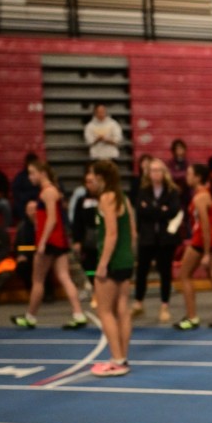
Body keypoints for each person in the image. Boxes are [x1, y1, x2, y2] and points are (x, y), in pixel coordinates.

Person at [11, 161, 88, 329]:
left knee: (38, 280)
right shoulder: (49, 191)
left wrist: (42, 242)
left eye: (32, 173)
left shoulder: (48, 192)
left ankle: (30, 317)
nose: (30, 177)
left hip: (50, 241)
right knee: (64, 277)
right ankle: (78, 314)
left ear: (42, 173)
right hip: (57, 241)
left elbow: (52, 219)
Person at [89, 160, 135, 377]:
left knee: (105, 311)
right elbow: (132, 232)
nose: (90, 178)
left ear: (100, 177)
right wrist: (128, 256)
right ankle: (122, 357)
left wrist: (103, 264)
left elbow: (112, 233)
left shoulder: (106, 198)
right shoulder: (124, 198)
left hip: (112, 261)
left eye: (92, 174)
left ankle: (116, 360)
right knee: (122, 309)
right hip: (125, 260)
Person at [174, 164, 212, 330]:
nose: (187, 177)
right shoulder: (204, 194)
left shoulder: (200, 197)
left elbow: (205, 225)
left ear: (198, 177)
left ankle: (192, 317)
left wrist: (206, 253)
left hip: (202, 241)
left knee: (184, 275)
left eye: (190, 174)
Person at [131, 157, 182, 323]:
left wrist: (153, 210)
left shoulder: (171, 191)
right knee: (142, 271)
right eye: (152, 170)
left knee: (165, 272)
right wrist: (161, 210)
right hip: (147, 237)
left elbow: (173, 210)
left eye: (158, 170)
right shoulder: (143, 190)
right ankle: (138, 303)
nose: (156, 173)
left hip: (166, 238)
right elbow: (141, 211)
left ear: (164, 172)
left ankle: (164, 305)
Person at [71, 165, 101, 305]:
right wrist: (77, 240)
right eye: (87, 182)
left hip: (101, 236)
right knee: (89, 266)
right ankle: (92, 286)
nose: (90, 184)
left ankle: (101, 290)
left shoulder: (104, 198)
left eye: (92, 181)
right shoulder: (82, 200)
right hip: (87, 237)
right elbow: (77, 221)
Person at [11, 152, 40, 223]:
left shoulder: (41, 175)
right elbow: (16, 191)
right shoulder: (20, 176)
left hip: (38, 200)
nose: (31, 178)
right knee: (18, 205)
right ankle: (24, 222)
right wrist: (25, 198)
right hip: (24, 201)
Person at [167, 138, 191, 208]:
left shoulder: (187, 162)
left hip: (186, 190)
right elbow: (171, 175)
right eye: (177, 149)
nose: (179, 150)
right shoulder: (171, 162)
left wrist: (180, 175)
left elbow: (189, 175)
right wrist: (183, 174)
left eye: (181, 148)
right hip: (174, 190)